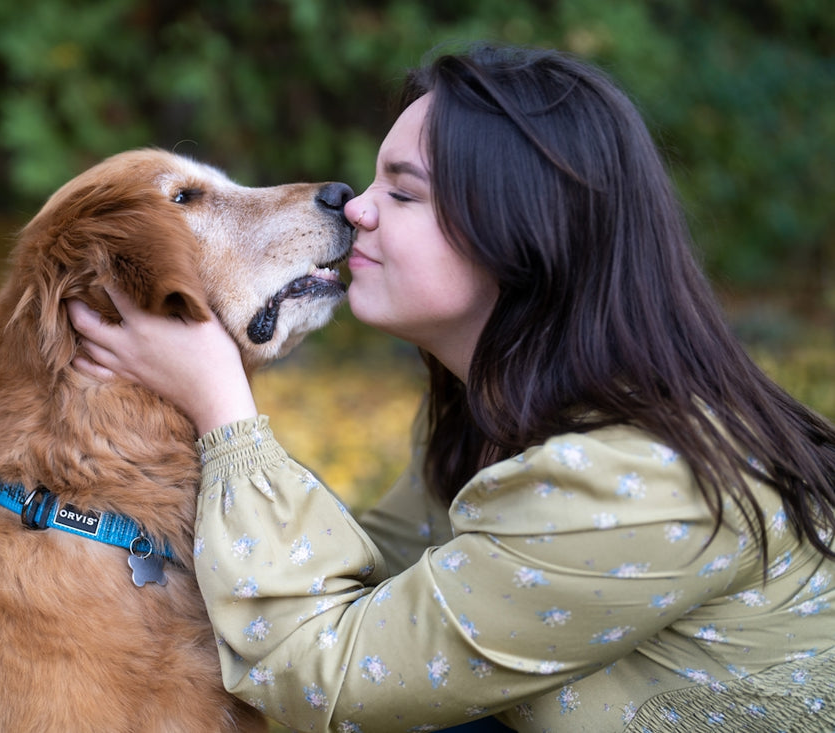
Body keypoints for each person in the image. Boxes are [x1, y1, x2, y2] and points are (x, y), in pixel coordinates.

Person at [68, 44, 835, 732]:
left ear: (521, 234)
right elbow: (372, 582)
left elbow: (320, 676)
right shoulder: (498, 411)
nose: (356, 207)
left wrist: (222, 407)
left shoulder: (635, 481)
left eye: (403, 194)